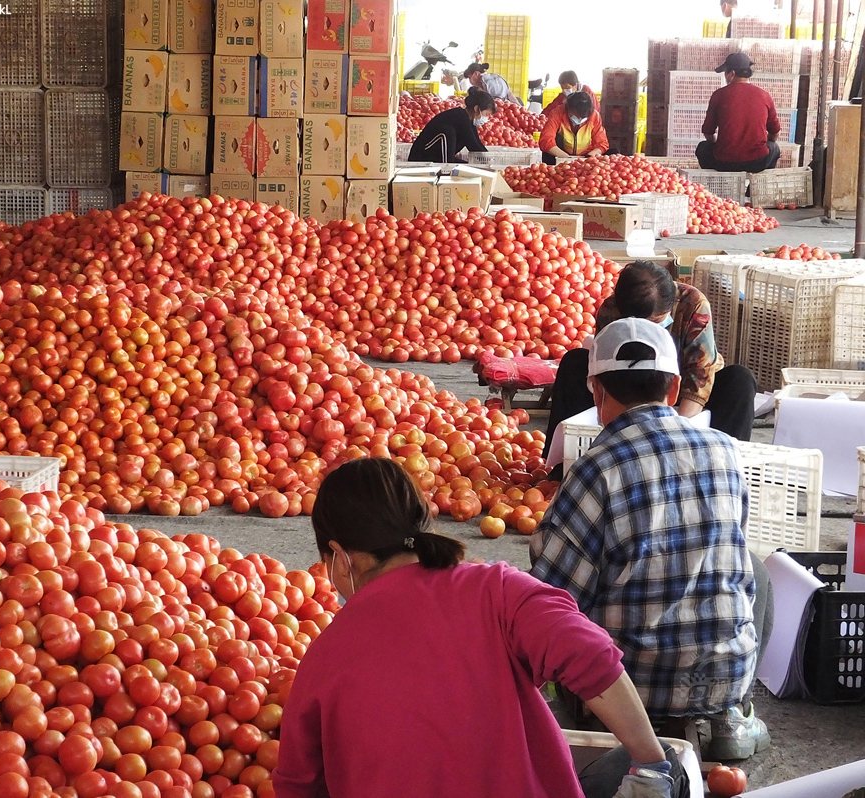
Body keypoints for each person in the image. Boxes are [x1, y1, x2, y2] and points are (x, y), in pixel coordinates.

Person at [271, 457, 689, 798]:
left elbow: (296, 785)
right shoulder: (497, 590)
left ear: (340, 556)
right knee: (663, 761)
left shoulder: (323, 659)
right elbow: (590, 655)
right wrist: (650, 766)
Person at [531, 318, 772, 762]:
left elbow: (555, 594)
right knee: (755, 570)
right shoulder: (725, 450)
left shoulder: (595, 467)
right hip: (722, 678)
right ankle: (730, 716)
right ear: (676, 388)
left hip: (624, 691)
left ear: (597, 393)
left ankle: (607, 727)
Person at [544, 260, 757, 458]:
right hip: (632, 390)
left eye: (656, 321)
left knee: (740, 380)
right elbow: (606, 374)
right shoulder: (611, 311)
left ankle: (726, 461)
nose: (648, 330)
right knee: (575, 363)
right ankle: (561, 465)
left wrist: (675, 430)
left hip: (682, 393)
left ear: (671, 305)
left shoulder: (693, 305)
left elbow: (700, 374)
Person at [696, 52, 781, 173]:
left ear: (732, 74)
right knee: (774, 147)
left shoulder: (719, 95)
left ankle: (720, 183)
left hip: (724, 163)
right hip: (757, 162)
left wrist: (719, 145)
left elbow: (708, 133)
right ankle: (755, 188)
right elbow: (775, 132)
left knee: (703, 148)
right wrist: (765, 141)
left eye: (725, 73)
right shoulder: (764, 95)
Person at [407, 88, 495, 163]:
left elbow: (477, 143)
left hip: (437, 157)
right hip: (421, 157)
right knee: (448, 131)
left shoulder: (468, 119)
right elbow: (472, 146)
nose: (486, 118)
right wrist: (487, 162)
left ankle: (449, 165)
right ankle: (446, 170)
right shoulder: (460, 117)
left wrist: (490, 161)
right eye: (486, 114)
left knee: (466, 165)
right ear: (476, 109)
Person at [540, 91, 613, 165]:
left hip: (586, 155)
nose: (580, 119)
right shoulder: (557, 113)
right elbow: (546, 140)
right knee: (546, 154)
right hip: (562, 154)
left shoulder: (594, 116)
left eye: (583, 117)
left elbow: (602, 143)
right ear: (568, 109)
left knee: (613, 153)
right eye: (576, 116)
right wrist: (566, 158)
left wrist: (589, 157)